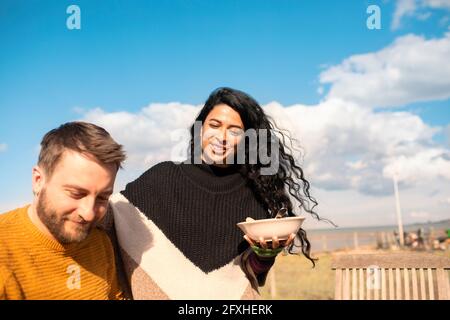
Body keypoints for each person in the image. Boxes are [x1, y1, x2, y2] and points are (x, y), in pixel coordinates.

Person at [105, 87, 326, 299]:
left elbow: (251, 273)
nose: (222, 136)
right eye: (215, 125)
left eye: (234, 130)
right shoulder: (163, 177)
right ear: (201, 128)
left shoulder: (253, 195)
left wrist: (265, 256)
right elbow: (109, 217)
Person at [0, 122, 126, 300]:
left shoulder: (100, 242)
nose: (89, 213)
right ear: (38, 181)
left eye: (102, 198)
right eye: (76, 193)